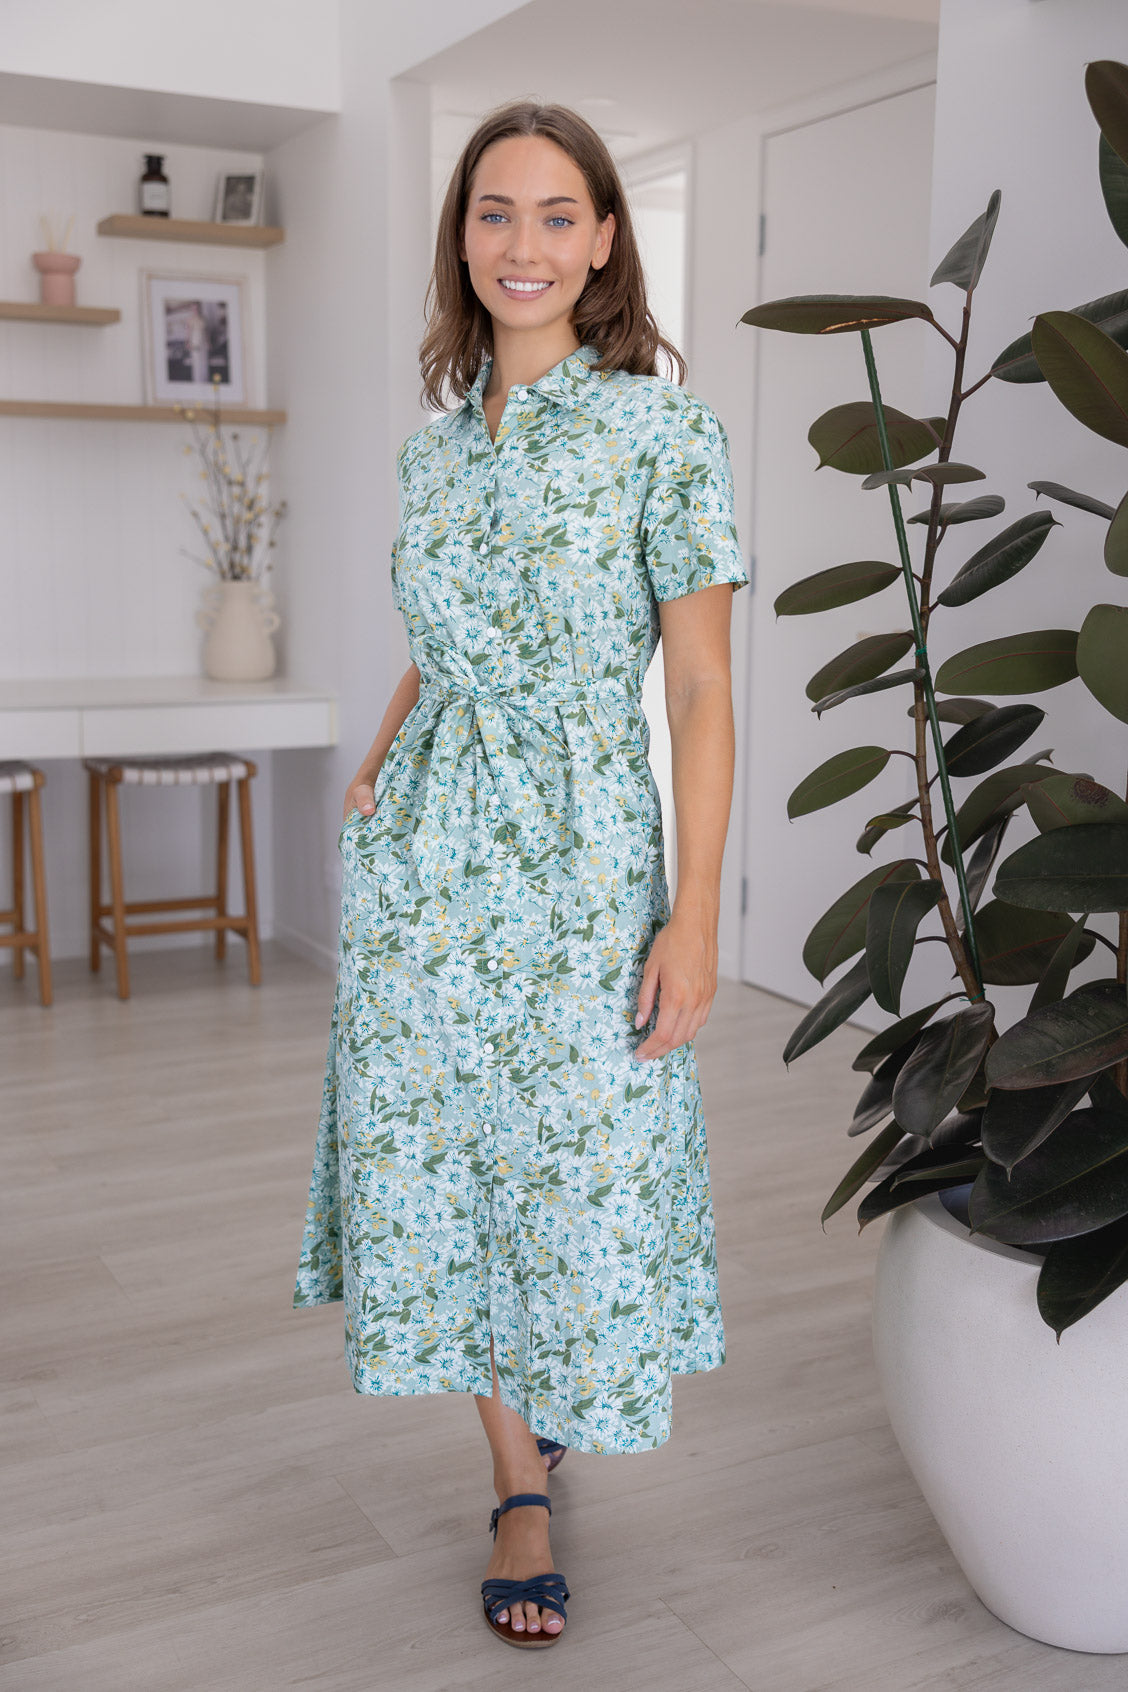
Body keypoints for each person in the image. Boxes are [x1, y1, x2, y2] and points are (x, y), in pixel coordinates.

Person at [293, 98, 749, 1651]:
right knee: (436, 1157)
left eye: (560, 215)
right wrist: (380, 745)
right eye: (496, 213)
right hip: (425, 853)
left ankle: (556, 1408)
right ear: (463, 240)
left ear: (607, 239)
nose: (526, 245)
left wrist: (693, 914)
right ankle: (514, 1480)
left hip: (582, 855)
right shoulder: (432, 449)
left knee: (572, 1154)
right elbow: (443, 645)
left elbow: (696, 687)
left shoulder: (661, 431)